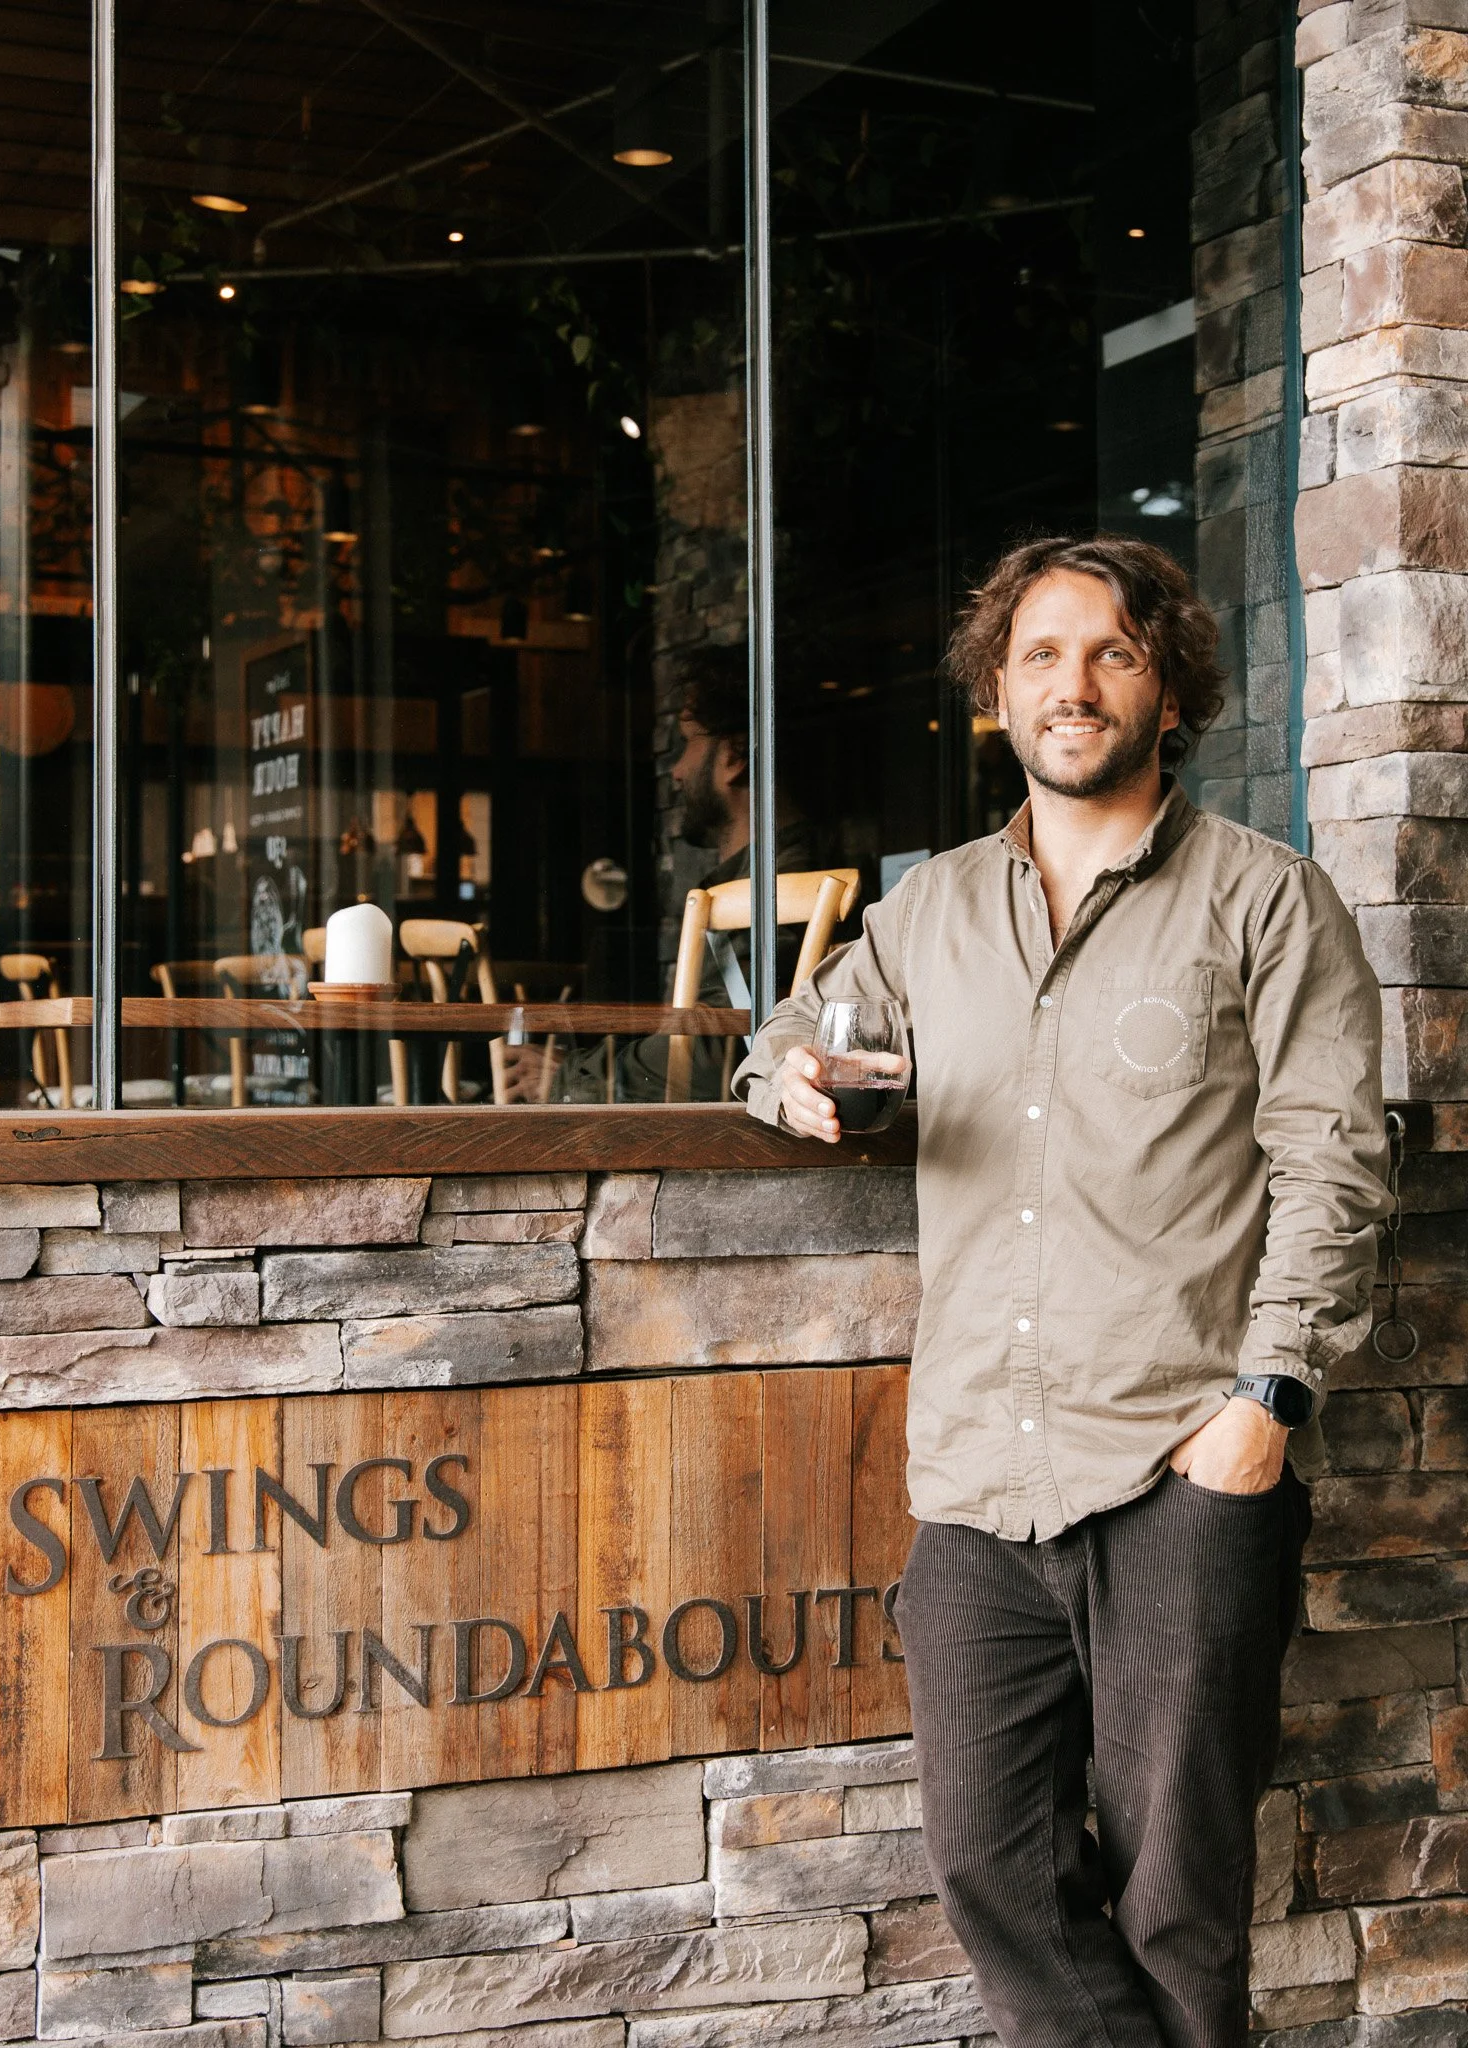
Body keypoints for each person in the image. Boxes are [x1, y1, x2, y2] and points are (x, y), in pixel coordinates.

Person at [732, 535, 1390, 2048]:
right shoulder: (929, 913)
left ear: (1171, 692)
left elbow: (1336, 1165)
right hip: (979, 1479)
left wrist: (1265, 1403)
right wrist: (795, 1080)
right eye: (1039, 654)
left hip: (1180, 1467)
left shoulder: (1267, 901)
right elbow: (792, 1034)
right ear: (997, 691)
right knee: (992, 1871)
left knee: (1178, 1907)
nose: (1071, 684)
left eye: (1112, 653)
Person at [500, 645, 816, 1102]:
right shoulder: (754, 880)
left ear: (734, 755)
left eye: (688, 741)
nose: (677, 771)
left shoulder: (787, 887)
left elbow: (722, 1053)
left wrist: (573, 1080)